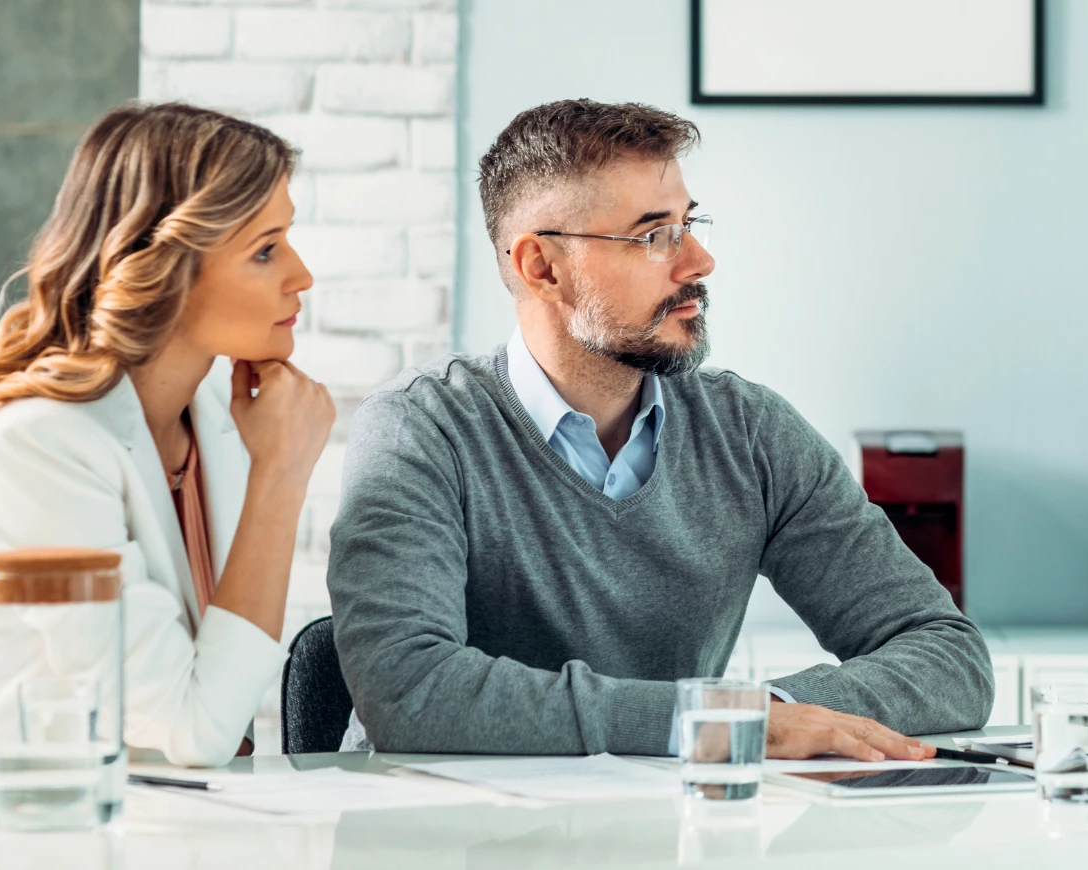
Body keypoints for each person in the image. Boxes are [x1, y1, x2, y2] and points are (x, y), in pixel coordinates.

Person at [326, 99, 993, 759]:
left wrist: (763, 717)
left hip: (663, 834)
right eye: (654, 235)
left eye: (689, 223)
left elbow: (948, 656)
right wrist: (707, 722)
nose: (699, 261)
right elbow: (408, 693)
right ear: (542, 268)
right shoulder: (420, 431)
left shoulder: (750, 433)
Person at [0, 102, 335, 767]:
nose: (301, 275)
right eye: (265, 250)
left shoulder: (217, 415)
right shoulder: (38, 448)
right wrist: (280, 478)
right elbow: (193, 731)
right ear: (164, 268)